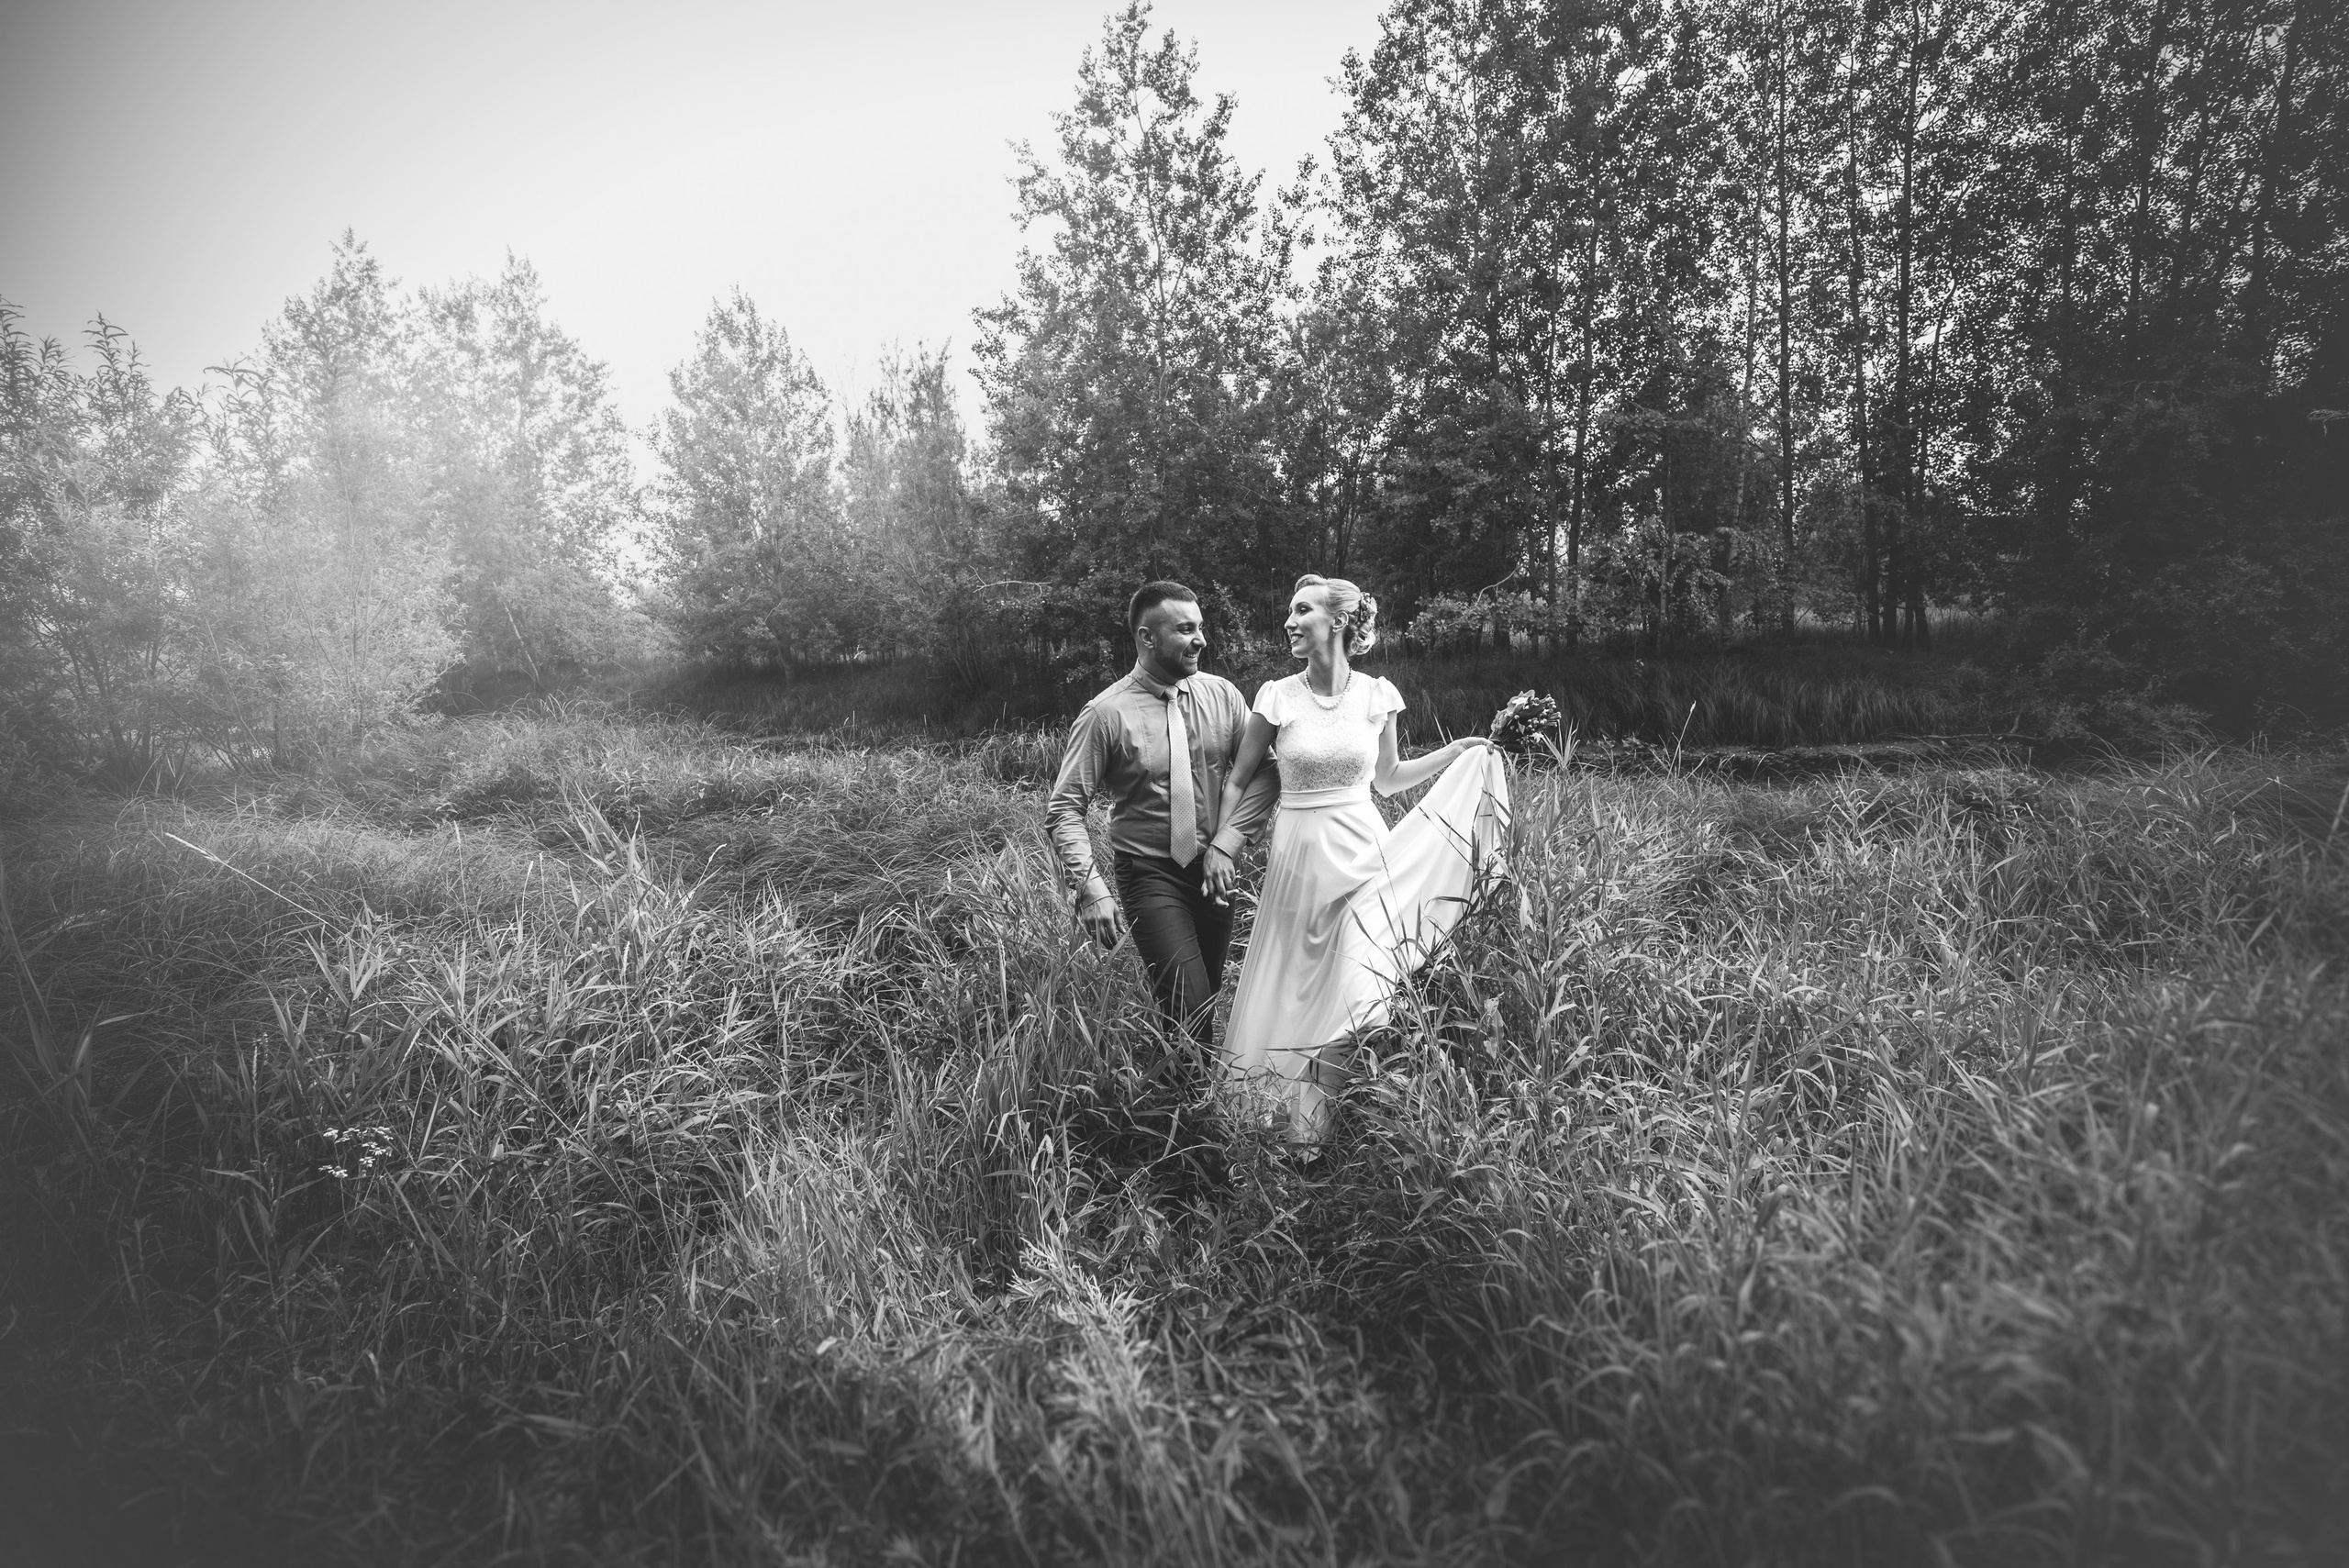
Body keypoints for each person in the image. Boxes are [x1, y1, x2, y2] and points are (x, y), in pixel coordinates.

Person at [1208, 574, 1510, 1150]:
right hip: (1300, 856)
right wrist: (1224, 842)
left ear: (1339, 621)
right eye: (1291, 612)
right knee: (1296, 984)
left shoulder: (1378, 694)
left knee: (1361, 997)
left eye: (1303, 611)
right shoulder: (1276, 695)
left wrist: (1459, 752)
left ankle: (1316, 1128)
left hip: (1366, 851)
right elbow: (1239, 777)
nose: (1291, 622)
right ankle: (1284, 1128)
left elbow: (1388, 779)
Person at [1046, 581, 1281, 1040]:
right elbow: (1064, 809)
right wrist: (1091, 889)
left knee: (1206, 998)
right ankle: (1197, 1107)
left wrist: (1228, 846)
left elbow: (1267, 774)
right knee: (1187, 1003)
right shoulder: (1105, 714)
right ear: (1147, 638)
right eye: (1185, 629)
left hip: (1216, 871)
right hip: (1150, 873)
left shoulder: (1224, 696)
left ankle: (1189, 1096)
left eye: (1201, 628)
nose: (1201, 640)